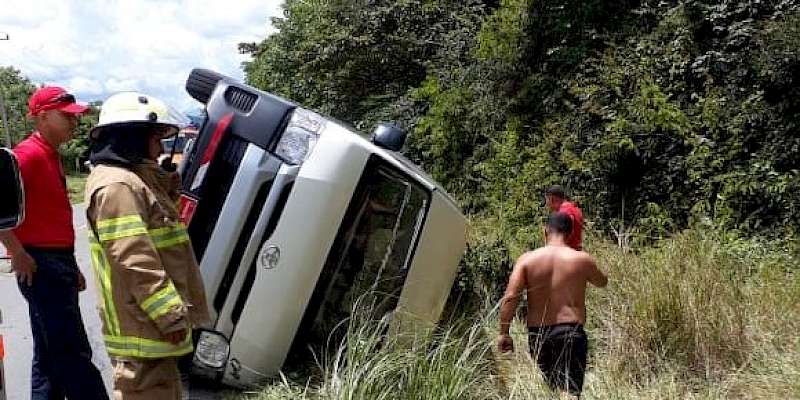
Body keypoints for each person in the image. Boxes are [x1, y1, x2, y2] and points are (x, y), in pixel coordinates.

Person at [84, 92, 209, 400]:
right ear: (133, 137)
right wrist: (169, 314)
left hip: (146, 326)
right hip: (143, 327)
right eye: (155, 138)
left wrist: (165, 179)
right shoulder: (118, 186)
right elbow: (134, 259)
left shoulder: (133, 179)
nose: (160, 147)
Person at [0, 86, 109, 399]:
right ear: (43, 116)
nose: (74, 123)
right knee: (72, 351)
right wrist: (17, 252)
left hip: (55, 261)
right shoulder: (26, 156)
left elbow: (55, 218)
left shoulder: (49, 155)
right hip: (40, 264)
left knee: (49, 355)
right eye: (67, 117)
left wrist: (71, 264)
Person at [497, 213, 607, 398]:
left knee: (550, 390)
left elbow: (511, 296)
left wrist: (504, 332)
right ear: (570, 233)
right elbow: (602, 281)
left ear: (545, 231)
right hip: (571, 332)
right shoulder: (581, 259)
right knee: (569, 392)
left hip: (538, 335)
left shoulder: (526, 260)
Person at [545, 185, 584, 250]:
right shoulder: (575, 209)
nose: (546, 203)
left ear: (551, 199)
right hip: (575, 251)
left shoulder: (563, 212)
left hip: (565, 254)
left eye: (546, 199)